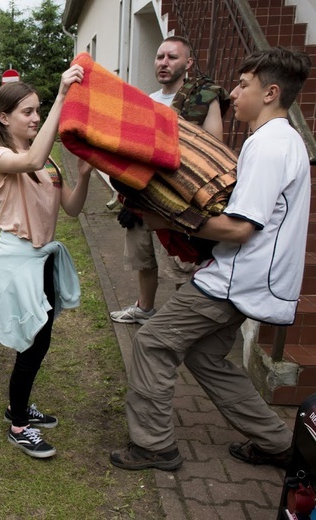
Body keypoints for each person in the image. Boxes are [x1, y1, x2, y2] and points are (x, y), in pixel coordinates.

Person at [110, 47, 311, 472]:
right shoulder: (284, 139)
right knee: (204, 357)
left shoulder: (270, 146)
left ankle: (153, 446)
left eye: (243, 85)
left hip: (238, 277)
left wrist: (172, 219)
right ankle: (276, 443)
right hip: (254, 276)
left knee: (153, 342)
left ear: (271, 92)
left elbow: (240, 228)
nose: (234, 94)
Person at [0, 66, 93, 459]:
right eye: (28, 111)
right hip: (18, 262)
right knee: (31, 344)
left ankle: (19, 407)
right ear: (4, 118)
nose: (36, 117)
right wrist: (62, 95)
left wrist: (83, 176)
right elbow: (30, 161)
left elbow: (73, 210)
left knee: (39, 343)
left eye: (39, 111)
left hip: (42, 259)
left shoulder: (49, 164)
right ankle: (18, 425)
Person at [110, 36, 228, 325]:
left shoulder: (203, 99)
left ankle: (183, 322)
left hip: (180, 199)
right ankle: (144, 308)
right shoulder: (146, 102)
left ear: (188, 63)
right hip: (143, 197)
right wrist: (128, 199)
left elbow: (212, 150)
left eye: (172, 57)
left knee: (180, 265)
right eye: (160, 56)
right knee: (143, 258)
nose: (163, 62)